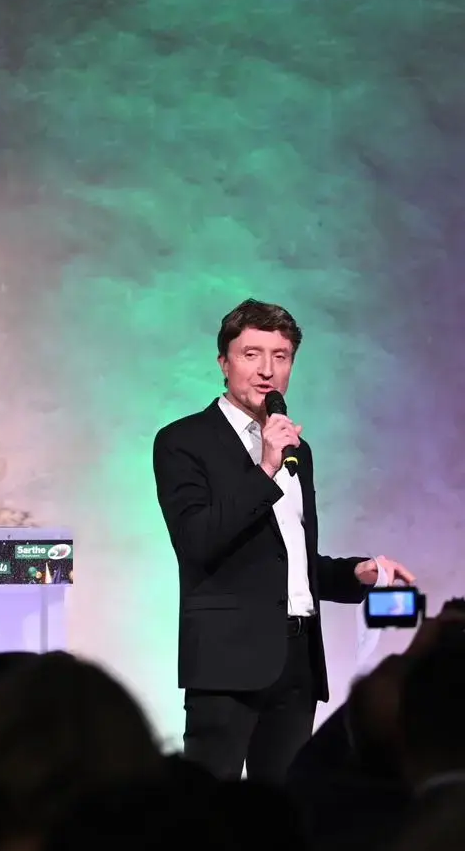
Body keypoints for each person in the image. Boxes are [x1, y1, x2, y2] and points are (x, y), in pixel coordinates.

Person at [154, 298, 415, 783]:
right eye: (251, 354)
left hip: (297, 661)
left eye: (281, 356)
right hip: (227, 664)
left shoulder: (299, 450)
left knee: (287, 811)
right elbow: (197, 541)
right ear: (224, 362)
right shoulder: (183, 442)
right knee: (208, 810)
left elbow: (286, 558)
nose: (267, 370)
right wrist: (266, 467)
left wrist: (353, 573)